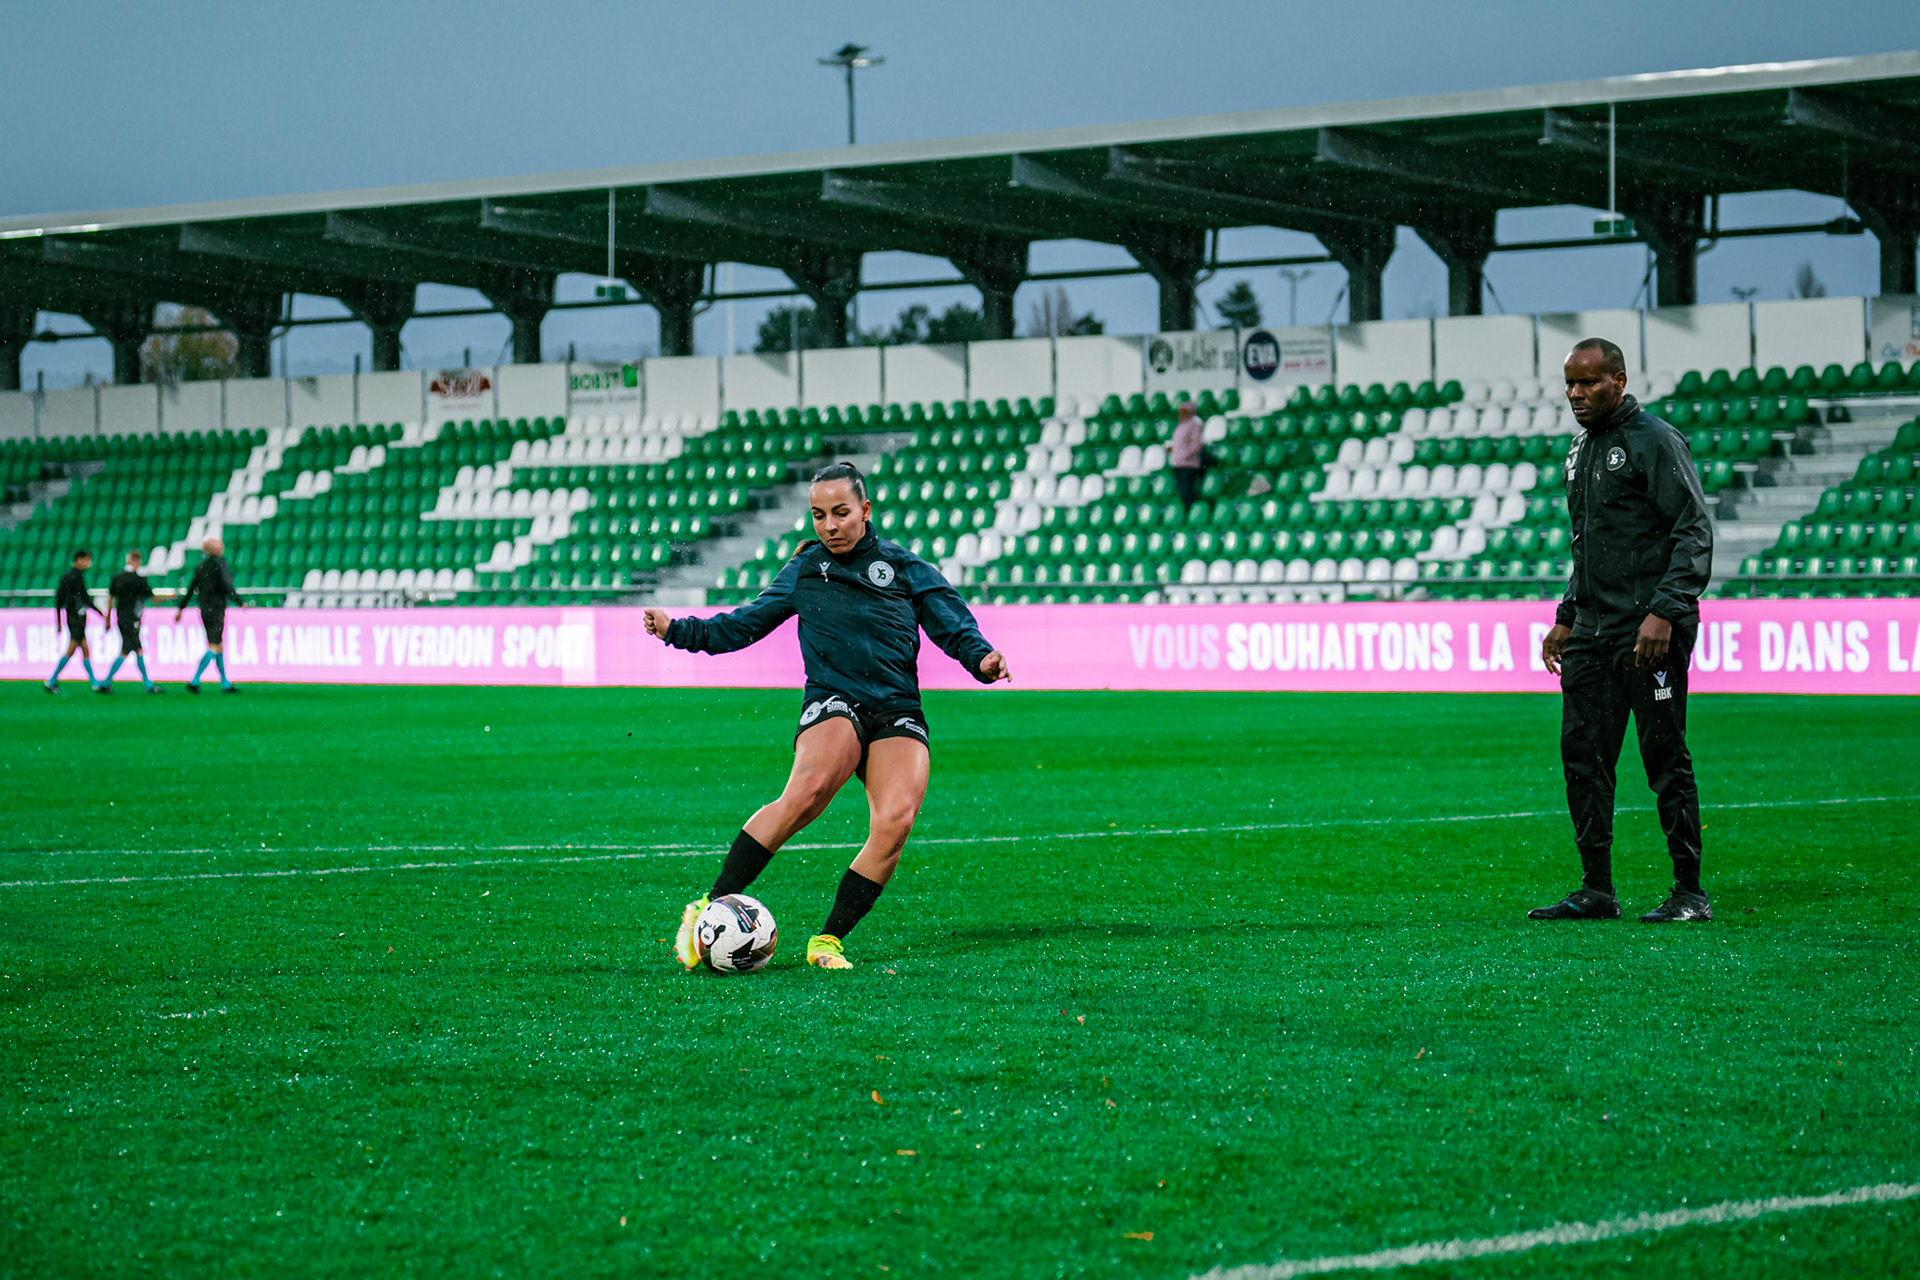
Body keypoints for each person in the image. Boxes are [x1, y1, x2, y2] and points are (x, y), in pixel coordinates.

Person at [645, 461, 1011, 971]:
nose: (830, 526)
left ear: (865, 509)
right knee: (808, 795)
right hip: (833, 698)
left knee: (896, 820)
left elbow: (954, 623)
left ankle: (828, 940)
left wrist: (982, 659)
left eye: (841, 513)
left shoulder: (905, 568)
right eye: (819, 515)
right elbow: (743, 625)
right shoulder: (804, 570)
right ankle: (706, 910)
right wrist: (678, 630)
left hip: (896, 707)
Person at [1535, 337, 1713, 925]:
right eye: (1569, 383)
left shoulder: (1655, 441)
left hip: (1649, 630)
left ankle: (1689, 892)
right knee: (1583, 756)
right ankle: (1596, 890)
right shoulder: (1581, 449)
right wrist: (1566, 615)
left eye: (1588, 382)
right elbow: (1588, 544)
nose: (1575, 394)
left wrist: (1664, 611)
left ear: (1619, 379)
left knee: (1663, 754)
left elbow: (1693, 530)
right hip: (1593, 628)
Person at [174, 535, 245, 693]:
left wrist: (181, 608)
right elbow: (227, 584)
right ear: (215, 548)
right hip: (217, 608)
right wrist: (239, 601)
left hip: (205, 609)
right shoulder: (220, 563)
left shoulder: (201, 566)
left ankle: (225, 683)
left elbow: (191, 587)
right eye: (219, 543)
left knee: (218, 645)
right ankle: (194, 680)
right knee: (214, 646)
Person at [100, 550, 161, 694]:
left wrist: (108, 618)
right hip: (133, 619)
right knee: (128, 650)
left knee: (134, 650)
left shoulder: (116, 578)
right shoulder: (139, 580)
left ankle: (147, 684)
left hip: (121, 618)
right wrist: (169, 598)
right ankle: (106, 681)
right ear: (138, 562)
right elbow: (153, 599)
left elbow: (110, 599)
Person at [45, 549, 105, 692]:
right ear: (79, 560)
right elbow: (83, 597)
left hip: (73, 617)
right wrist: (99, 613)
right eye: (87, 560)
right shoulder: (75, 577)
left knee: (84, 649)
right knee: (72, 649)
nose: (89, 563)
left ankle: (94, 682)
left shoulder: (70, 576)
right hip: (76, 617)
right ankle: (51, 680)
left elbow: (59, 600)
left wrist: (59, 620)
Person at [1168, 399, 1206, 510]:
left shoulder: (1194, 425)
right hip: (1178, 464)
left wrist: (1185, 455)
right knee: (1181, 491)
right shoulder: (1180, 427)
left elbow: (1196, 444)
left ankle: (1192, 512)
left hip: (1188, 464)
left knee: (1187, 491)